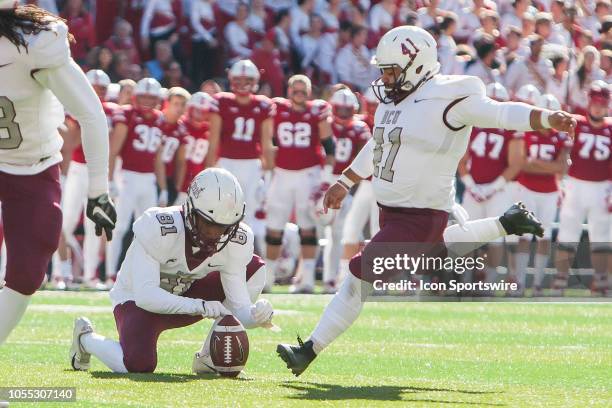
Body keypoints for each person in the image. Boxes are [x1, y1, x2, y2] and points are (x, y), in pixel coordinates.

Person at [276, 25, 576, 376]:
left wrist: (543, 118)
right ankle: (505, 223)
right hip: (393, 212)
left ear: (417, 65)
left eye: (391, 70)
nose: (385, 78)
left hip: (419, 215)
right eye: (384, 71)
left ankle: (308, 351)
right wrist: (346, 180)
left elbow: (498, 113)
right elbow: (379, 143)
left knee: (359, 275)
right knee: (437, 256)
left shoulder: (450, 97)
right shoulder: (396, 99)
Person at [69, 168, 274, 373]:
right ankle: (85, 339)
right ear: (191, 210)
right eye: (207, 223)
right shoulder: (158, 226)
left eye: (223, 227)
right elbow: (146, 296)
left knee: (254, 269)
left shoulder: (237, 241)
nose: (214, 234)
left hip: (188, 294)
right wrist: (199, 306)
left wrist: (256, 315)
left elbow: (239, 308)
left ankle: (208, 358)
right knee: (138, 364)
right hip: (138, 301)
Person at [0, 2, 116, 345]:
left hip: (29, 165)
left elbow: (91, 113)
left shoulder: (33, 42)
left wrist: (98, 189)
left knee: (28, 267)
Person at [265, 75, 334, 293]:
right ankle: (267, 278)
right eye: (296, 90)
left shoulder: (317, 111)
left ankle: (307, 280)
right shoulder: (276, 109)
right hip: (282, 173)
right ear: (289, 91)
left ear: (310, 92)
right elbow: (267, 141)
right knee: (274, 227)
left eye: (303, 91)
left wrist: (326, 179)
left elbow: (329, 146)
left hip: (309, 174)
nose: (299, 94)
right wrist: (266, 171)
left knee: (308, 227)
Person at [458, 82, 525, 286]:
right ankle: (464, 281)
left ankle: (489, 281)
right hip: (474, 188)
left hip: (498, 190)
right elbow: (460, 158)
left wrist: (491, 188)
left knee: (495, 238)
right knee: (466, 237)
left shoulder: (511, 129)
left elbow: (516, 163)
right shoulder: (470, 124)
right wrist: (471, 185)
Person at [61, 70, 119, 288]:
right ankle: (60, 273)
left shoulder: (112, 111)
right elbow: (70, 142)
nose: (97, 92)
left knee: (95, 224)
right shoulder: (74, 104)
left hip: (97, 169)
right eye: (94, 87)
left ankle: (89, 274)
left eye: (102, 89)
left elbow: (113, 145)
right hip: (77, 167)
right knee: (66, 220)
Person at [107, 78, 168, 284]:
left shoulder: (159, 119)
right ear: (135, 97)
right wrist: (110, 179)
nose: (148, 101)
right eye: (144, 97)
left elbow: (158, 158)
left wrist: (163, 188)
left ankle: (139, 275)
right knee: (120, 226)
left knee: (148, 231)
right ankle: (109, 274)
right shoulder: (126, 115)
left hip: (148, 178)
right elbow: (114, 150)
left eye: (152, 98)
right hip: (127, 176)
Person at [553, 81, 611, 296]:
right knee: (567, 235)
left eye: (602, 103)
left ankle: (601, 281)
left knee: (602, 238)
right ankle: (560, 280)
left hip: (602, 187)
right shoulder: (575, 123)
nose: (598, 107)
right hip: (575, 185)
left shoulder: (610, 127)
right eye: (595, 103)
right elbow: (562, 155)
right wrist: (561, 183)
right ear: (589, 101)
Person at [205, 60, 275, 229]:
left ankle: (243, 251)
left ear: (255, 81)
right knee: (220, 208)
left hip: (252, 164)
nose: (243, 85)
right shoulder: (221, 101)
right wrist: (208, 170)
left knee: (247, 211)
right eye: (239, 81)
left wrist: (270, 175)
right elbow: (213, 139)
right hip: (226, 162)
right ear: (231, 80)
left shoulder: (263, 104)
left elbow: (267, 142)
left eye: (247, 81)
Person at [513, 94, 570, 295]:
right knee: (524, 237)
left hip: (550, 191)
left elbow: (561, 168)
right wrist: (550, 166)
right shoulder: (526, 132)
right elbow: (522, 164)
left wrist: (537, 164)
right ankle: (519, 282)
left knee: (544, 238)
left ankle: (537, 284)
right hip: (527, 188)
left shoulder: (560, 137)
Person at [322, 88, 371, 294]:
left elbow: (362, 160)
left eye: (346, 110)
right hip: (324, 180)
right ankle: (328, 277)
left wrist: (351, 186)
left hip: (345, 182)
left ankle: (340, 277)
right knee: (327, 232)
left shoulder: (359, 128)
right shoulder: (324, 124)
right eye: (339, 110)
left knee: (343, 232)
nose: (342, 115)